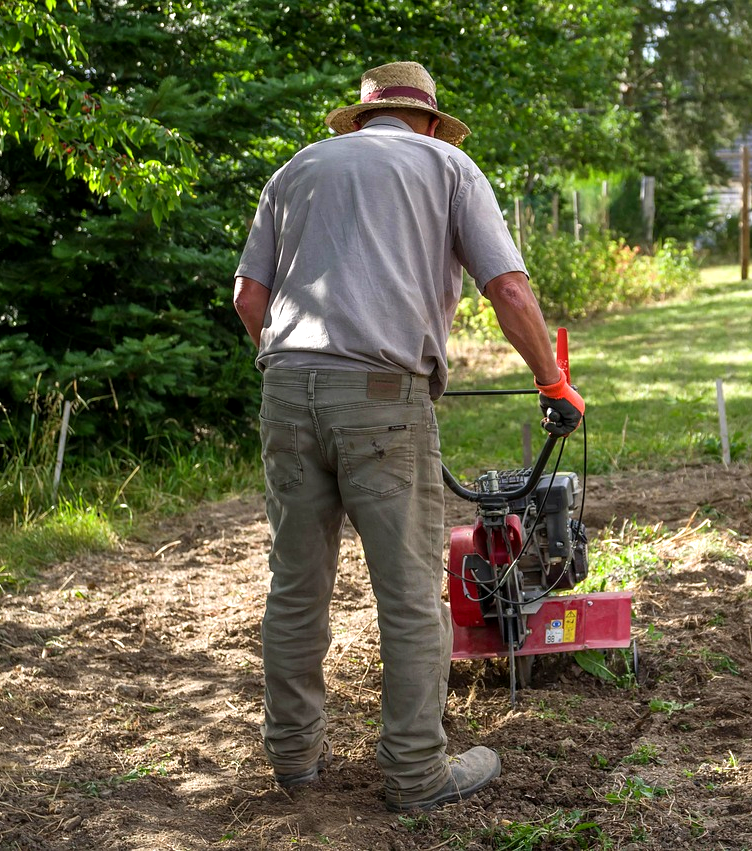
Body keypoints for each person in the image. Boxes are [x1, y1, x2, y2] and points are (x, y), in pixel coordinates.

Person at [231, 61, 583, 812]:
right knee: (411, 594)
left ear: (363, 118)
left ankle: (293, 760)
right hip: (385, 398)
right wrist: (553, 381)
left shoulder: (295, 170)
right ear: (427, 120)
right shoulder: (447, 166)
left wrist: (298, 367)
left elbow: (248, 297)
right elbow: (509, 289)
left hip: (286, 389)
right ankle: (417, 772)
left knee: (295, 587)